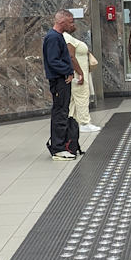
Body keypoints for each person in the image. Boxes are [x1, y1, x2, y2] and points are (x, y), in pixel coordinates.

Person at [43, 9, 84, 159]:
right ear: (62, 21)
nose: (72, 24)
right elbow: (53, 61)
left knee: (62, 111)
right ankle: (58, 148)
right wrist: (67, 71)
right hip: (59, 81)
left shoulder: (58, 36)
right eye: (70, 21)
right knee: (60, 113)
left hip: (63, 79)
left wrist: (69, 72)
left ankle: (59, 145)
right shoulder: (53, 38)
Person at [62, 16, 101, 133]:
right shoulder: (66, 37)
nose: (74, 25)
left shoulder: (68, 37)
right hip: (78, 74)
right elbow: (71, 57)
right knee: (82, 97)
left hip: (79, 73)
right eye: (71, 23)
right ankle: (84, 123)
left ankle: (72, 122)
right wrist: (80, 73)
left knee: (74, 100)